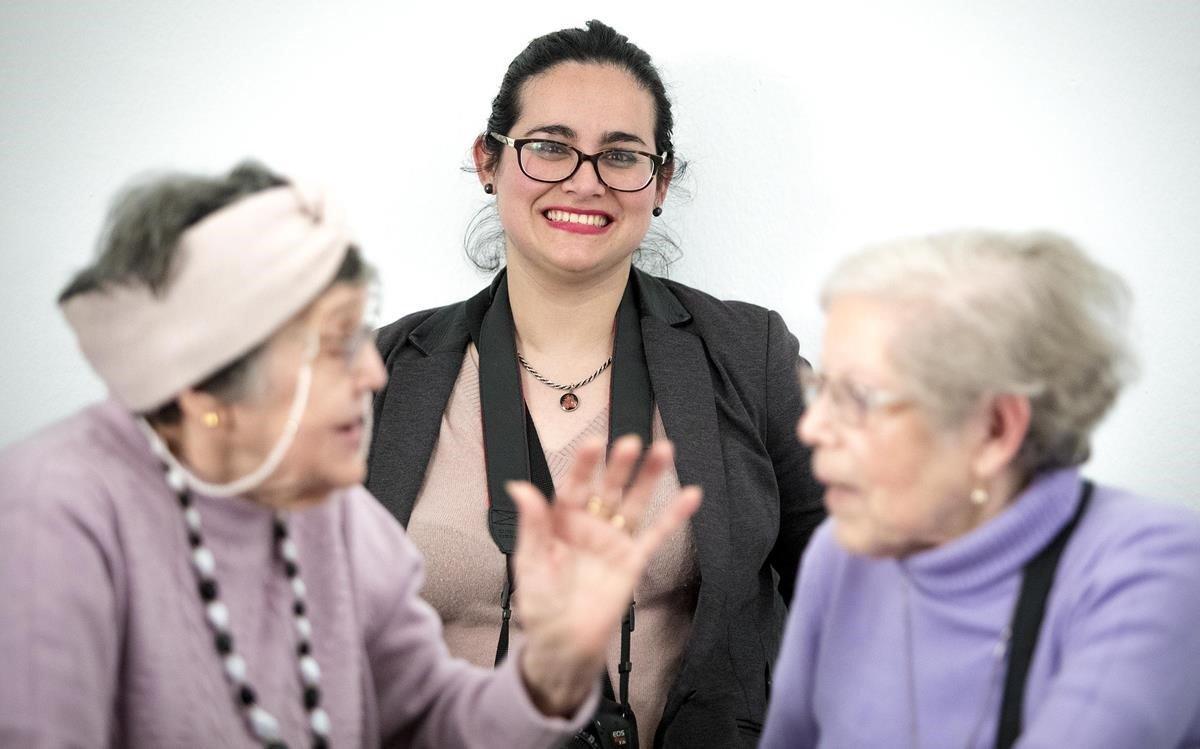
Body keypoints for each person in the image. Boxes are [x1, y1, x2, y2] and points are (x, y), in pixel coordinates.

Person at [0, 162, 700, 748]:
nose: (371, 373)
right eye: (335, 343)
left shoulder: (332, 515)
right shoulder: (57, 510)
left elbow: (433, 721)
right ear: (203, 376)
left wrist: (549, 666)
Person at [365, 19, 825, 748]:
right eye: (549, 146)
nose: (585, 180)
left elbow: (857, 593)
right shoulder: (376, 371)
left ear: (661, 181)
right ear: (489, 162)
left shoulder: (752, 354)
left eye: (620, 155)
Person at [760, 229, 1200, 748]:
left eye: (857, 398)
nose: (812, 430)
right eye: (821, 389)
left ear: (994, 430)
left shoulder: (1156, 569)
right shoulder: (843, 555)